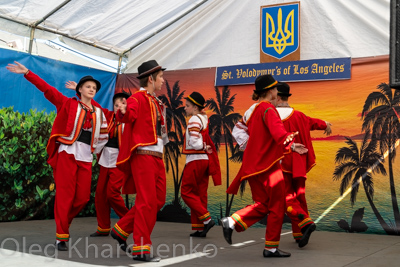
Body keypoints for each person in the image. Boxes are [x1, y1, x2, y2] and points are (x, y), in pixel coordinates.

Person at [6, 61, 108, 251]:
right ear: (80, 89)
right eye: (88, 86)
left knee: (83, 198)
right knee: (65, 196)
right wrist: (27, 72)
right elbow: (47, 90)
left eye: (94, 88)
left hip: (85, 157)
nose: (92, 89)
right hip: (67, 154)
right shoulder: (68, 103)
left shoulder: (99, 113)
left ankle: (63, 224)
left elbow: (104, 134)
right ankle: (62, 236)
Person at [221, 74, 298, 258]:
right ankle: (270, 248)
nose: (277, 91)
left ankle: (232, 222)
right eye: (275, 88)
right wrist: (287, 138)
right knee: (277, 205)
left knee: (264, 205)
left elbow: (243, 133)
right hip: (269, 167)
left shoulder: (253, 111)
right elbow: (277, 130)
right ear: (270, 90)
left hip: (255, 166)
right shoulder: (267, 109)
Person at [110, 60, 168, 262]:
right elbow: (127, 114)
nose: (162, 80)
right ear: (151, 78)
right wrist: (123, 112)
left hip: (157, 156)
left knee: (158, 200)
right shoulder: (137, 98)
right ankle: (141, 248)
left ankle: (121, 228)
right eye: (160, 76)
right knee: (146, 201)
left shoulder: (157, 102)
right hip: (143, 155)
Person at [65, 81, 130, 237]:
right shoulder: (107, 116)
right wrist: (78, 91)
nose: (119, 107)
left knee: (112, 194)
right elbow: (94, 105)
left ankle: (129, 220)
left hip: (119, 163)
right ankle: (103, 227)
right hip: (104, 160)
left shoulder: (129, 122)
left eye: (123, 105)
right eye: (116, 105)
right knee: (100, 194)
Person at [275, 82, 332, 246]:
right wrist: (326, 124)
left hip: (281, 161)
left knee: (286, 198)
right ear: (287, 96)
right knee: (300, 197)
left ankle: (305, 223)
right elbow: (312, 122)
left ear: (277, 96)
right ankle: (299, 234)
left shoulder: (272, 115)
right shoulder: (299, 115)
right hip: (298, 163)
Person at [181, 92, 221, 238]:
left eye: (187, 106)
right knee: (199, 194)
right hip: (204, 160)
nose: (185, 108)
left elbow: (194, 142)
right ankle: (200, 227)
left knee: (186, 192)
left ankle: (206, 219)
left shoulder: (193, 120)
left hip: (195, 159)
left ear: (195, 107)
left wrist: (202, 146)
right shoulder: (203, 119)